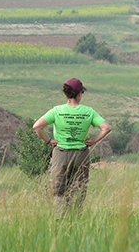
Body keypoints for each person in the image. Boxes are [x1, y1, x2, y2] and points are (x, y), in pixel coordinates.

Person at [33, 77, 111, 216]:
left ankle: (59, 219)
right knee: (78, 190)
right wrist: (93, 140)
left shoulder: (57, 111)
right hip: (81, 154)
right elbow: (106, 128)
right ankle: (75, 219)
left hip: (60, 153)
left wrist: (48, 141)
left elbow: (37, 126)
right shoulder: (88, 112)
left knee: (58, 190)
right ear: (79, 93)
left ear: (66, 94)